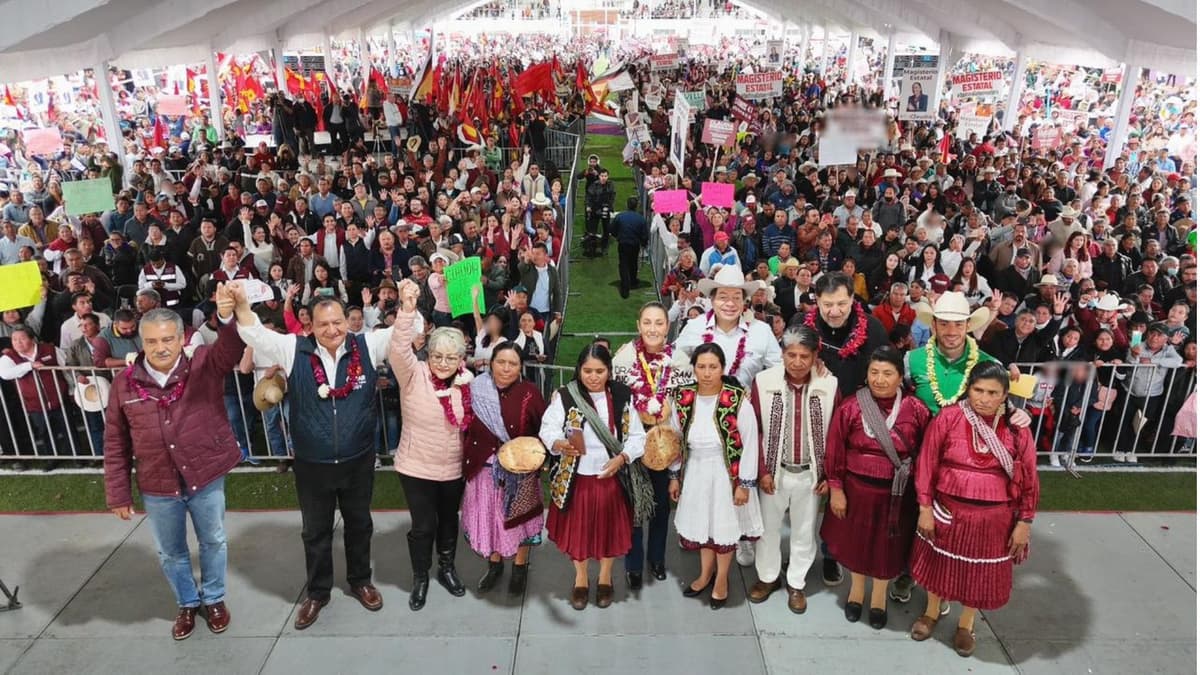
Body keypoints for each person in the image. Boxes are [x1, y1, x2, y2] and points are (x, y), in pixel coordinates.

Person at [230, 282, 411, 629]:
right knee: (315, 532)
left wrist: (409, 303)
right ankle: (317, 592)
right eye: (323, 324)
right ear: (310, 325)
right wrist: (240, 305)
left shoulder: (367, 345)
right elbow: (254, 333)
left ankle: (361, 581)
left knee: (360, 525)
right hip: (313, 464)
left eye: (338, 322)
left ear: (347, 321)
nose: (332, 330)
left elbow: (405, 331)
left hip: (358, 460)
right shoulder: (292, 348)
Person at [103, 293, 243, 641]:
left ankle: (214, 599)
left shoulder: (203, 365)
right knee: (170, 552)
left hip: (205, 476)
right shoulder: (123, 384)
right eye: (151, 341)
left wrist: (227, 319)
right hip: (157, 484)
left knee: (213, 540)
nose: (160, 348)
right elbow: (116, 441)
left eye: (167, 339)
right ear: (141, 342)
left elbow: (231, 350)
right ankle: (187, 602)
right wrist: (118, 493)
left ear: (182, 339)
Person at [909, 361, 1039, 658]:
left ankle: (966, 625)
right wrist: (925, 507)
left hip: (994, 518)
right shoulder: (949, 418)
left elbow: (1030, 477)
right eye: (978, 390)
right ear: (968, 389)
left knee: (977, 575)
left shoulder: (1017, 428)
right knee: (938, 566)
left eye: (993, 393)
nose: (984, 398)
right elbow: (927, 463)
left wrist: (1025, 521)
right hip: (948, 509)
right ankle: (931, 612)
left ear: (1004, 395)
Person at [821, 346, 931, 630]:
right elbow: (835, 448)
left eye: (887, 373)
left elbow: (925, 454)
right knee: (855, 544)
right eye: (874, 372)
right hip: (856, 490)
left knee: (887, 548)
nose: (880, 380)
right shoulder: (851, 406)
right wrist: (836, 488)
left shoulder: (916, 409)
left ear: (900, 377)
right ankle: (856, 592)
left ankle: (879, 597)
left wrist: (923, 498)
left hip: (898, 495)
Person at [538, 344, 651, 611]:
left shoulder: (622, 395)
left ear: (609, 371)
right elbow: (548, 428)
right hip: (576, 478)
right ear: (579, 370)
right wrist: (558, 443)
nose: (593, 377)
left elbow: (637, 436)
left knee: (608, 533)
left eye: (599, 371)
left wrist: (622, 458)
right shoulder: (566, 396)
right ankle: (580, 578)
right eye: (587, 371)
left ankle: (604, 577)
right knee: (579, 534)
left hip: (612, 477)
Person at [387, 278, 473, 610]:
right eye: (437, 355)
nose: (442, 363)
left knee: (449, 521)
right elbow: (398, 349)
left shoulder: (467, 383)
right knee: (424, 526)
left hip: (452, 468)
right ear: (428, 353)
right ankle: (420, 576)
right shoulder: (413, 374)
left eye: (450, 357)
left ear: (461, 359)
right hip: (416, 467)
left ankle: (447, 568)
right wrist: (407, 310)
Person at [747, 325, 840, 614]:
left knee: (804, 530)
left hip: (810, 475)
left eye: (804, 356)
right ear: (782, 354)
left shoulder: (829, 385)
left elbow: (836, 434)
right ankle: (767, 577)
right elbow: (754, 430)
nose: (797, 362)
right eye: (791, 355)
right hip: (774, 474)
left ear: (815, 356)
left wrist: (828, 474)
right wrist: (762, 470)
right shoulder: (763, 381)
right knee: (768, 529)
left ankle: (796, 582)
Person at [667, 343, 763, 609]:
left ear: (723, 368)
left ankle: (721, 580)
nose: (707, 373)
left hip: (725, 474)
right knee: (703, 526)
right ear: (694, 368)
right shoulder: (683, 397)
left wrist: (744, 484)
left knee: (722, 527)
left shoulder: (736, 399)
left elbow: (750, 443)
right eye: (701, 367)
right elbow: (675, 438)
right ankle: (705, 574)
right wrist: (674, 475)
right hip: (695, 471)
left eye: (713, 367)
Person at [612, 302, 694, 590]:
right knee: (634, 508)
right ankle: (633, 565)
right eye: (647, 322)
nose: (653, 329)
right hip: (633, 448)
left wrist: (675, 471)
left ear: (667, 326)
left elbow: (685, 413)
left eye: (659, 323)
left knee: (660, 508)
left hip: (666, 448)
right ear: (638, 325)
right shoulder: (623, 359)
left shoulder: (680, 362)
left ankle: (657, 559)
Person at [461, 341, 548, 595]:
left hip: (519, 472)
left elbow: (545, 430)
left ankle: (520, 567)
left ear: (521, 367)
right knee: (491, 520)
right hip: (483, 470)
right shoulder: (477, 389)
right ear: (491, 363)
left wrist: (532, 456)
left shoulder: (530, 393)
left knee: (519, 520)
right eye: (501, 362)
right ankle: (495, 564)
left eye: (513, 363)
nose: (506, 368)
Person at [675, 264, 782, 389]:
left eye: (736, 297)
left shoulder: (761, 331)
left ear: (744, 301)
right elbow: (674, 363)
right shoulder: (694, 327)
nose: (730, 303)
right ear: (712, 300)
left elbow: (779, 371)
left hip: (746, 400)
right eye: (723, 297)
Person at [610, 196, 650, 298]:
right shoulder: (640, 219)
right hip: (634, 244)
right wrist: (643, 242)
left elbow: (612, 229)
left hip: (623, 243)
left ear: (627, 205)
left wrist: (618, 236)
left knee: (623, 264)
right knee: (633, 262)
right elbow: (644, 234)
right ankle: (632, 280)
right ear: (636, 206)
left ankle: (625, 285)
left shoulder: (620, 216)